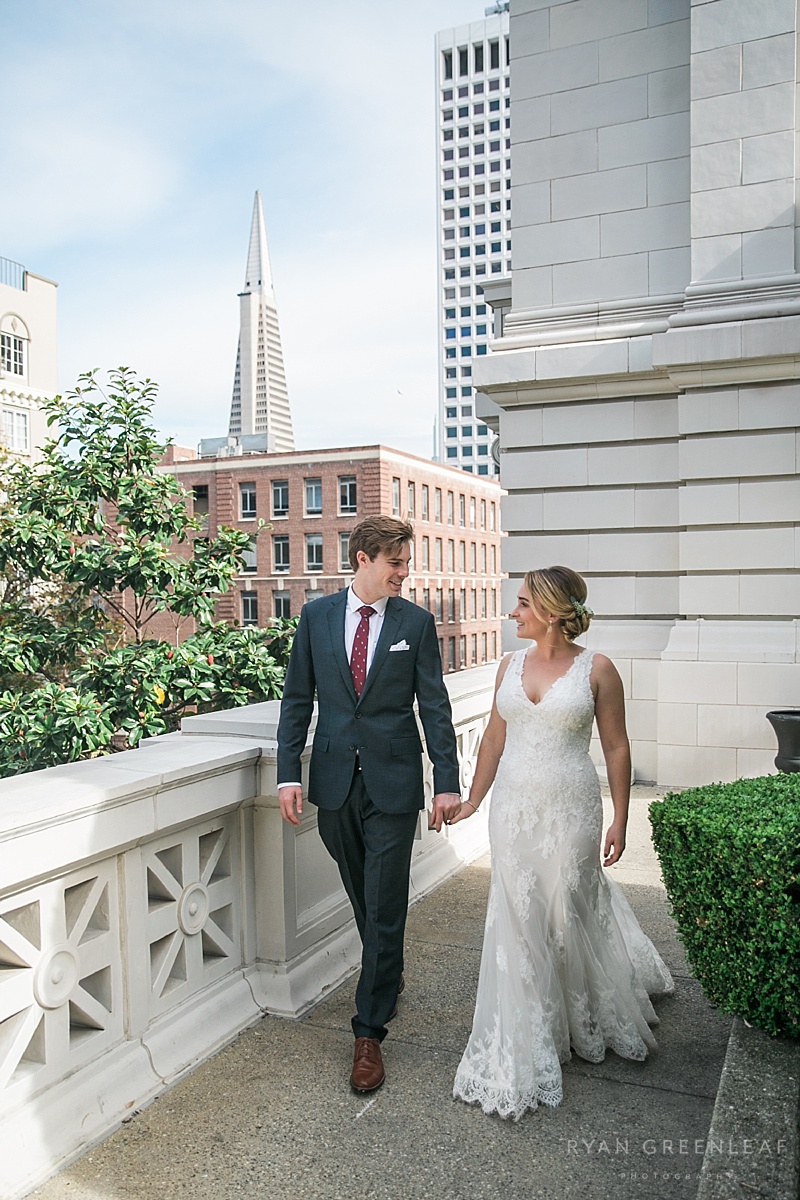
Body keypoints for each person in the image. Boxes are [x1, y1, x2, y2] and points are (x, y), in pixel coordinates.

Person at [451, 565, 673, 1119]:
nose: (513, 612)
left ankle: (584, 1012)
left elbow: (617, 748)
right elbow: (493, 744)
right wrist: (474, 801)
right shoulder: (508, 664)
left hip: (572, 806)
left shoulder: (598, 669)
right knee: (519, 915)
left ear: (551, 611)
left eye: (523, 603)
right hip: (513, 809)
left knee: (567, 907)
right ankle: (532, 1033)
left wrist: (621, 819)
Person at [277, 515, 461, 1094]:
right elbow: (296, 700)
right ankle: (390, 969)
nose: (404, 575)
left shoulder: (416, 624)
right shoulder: (316, 616)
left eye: (406, 564)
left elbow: (434, 705)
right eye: (396, 564)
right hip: (332, 783)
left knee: (384, 900)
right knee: (364, 893)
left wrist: (446, 782)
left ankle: (368, 1031)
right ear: (363, 560)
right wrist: (288, 775)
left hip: (395, 782)